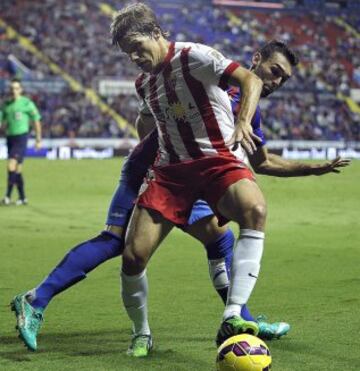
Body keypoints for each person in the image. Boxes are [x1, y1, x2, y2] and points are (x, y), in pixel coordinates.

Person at [110, 4, 350, 357]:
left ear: (156, 33)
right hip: (171, 172)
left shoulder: (196, 56)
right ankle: (141, 333)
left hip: (215, 162)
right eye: (126, 51)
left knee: (254, 209)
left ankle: (234, 313)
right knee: (132, 257)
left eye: (136, 46)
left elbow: (250, 81)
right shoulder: (143, 82)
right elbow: (148, 121)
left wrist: (243, 123)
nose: (133, 56)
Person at [0, 78, 42, 205]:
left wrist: (38, 139)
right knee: (17, 169)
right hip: (10, 138)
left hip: (21, 137)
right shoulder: (6, 105)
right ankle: (23, 198)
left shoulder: (26, 103)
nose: (14, 91)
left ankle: (7, 196)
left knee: (11, 165)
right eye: (12, 88)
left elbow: (36, 120)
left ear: (21, 90)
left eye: (16, 88)